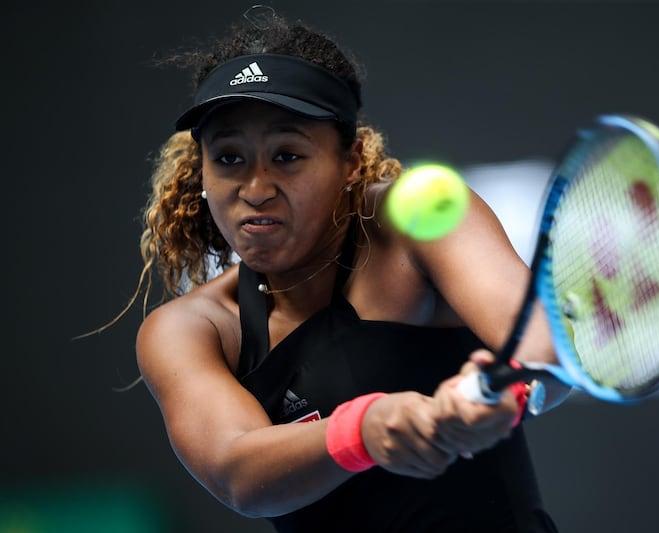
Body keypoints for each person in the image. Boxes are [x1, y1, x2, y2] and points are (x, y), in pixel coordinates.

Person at [130, 9, 561, 532]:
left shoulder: (414, 222)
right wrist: (364, 429)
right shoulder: (189, 329)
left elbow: (541, 345)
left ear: (351, 161)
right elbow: (237, 472)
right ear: (202, 170)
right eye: (228, 158)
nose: (256, 188)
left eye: (287, 155)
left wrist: (508, 394)